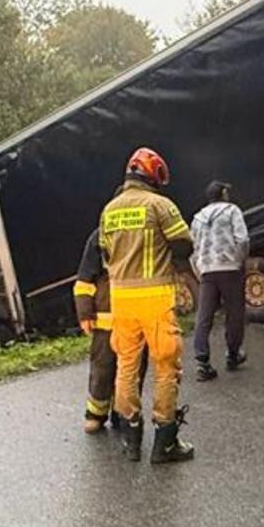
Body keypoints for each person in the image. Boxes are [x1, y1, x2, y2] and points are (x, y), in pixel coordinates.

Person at [101, 147, 197, 463]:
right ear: (154, 176)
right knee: (166, 367)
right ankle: (165, 442)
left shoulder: (109, 210)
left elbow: (105, 254)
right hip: (154, 296)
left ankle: (131, 439)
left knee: (126, 366)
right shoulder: (159, 204)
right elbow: (184, 243)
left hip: (121, 300)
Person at [74, 228, 144, 434]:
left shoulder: (143, 233)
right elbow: (84, 280)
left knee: (134, 372)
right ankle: (96, 414)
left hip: (136, 320)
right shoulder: (100, 236)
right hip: (106, 321)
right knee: (102, 370)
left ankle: (123, 414)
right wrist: (85, 312)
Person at [189, 180, 248, 381]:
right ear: (223, 193)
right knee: (234, 313)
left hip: (207, 271)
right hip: (230, 269)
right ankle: (233, 355)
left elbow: (193, 249)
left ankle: (202, 362)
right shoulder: (232, 211)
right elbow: (243, 239)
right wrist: (239, 260)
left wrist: (199, 270)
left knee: (204, 316)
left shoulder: (197, 218)